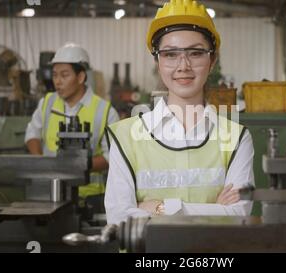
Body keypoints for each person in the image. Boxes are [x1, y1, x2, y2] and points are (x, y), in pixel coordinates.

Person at [105, 0, 254, 225]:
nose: (183, 65)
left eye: (195, 53)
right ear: (157, 61)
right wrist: (215, 209)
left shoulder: (237, 138)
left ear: (211, 60)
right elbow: (119, 219)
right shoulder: (126, 137)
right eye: (170, 54)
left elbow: (238, 214)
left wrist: (160, 207)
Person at [25, 43, 119, 211]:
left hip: (89, 198)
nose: (57, 82)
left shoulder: (104, 111)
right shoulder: (47, 103)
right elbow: (32, 133)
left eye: (64, 75)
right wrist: (41, 163)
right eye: (54, 75)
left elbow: (112, 156)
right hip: (48, 193)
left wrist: (80, 165)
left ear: (81, 77)